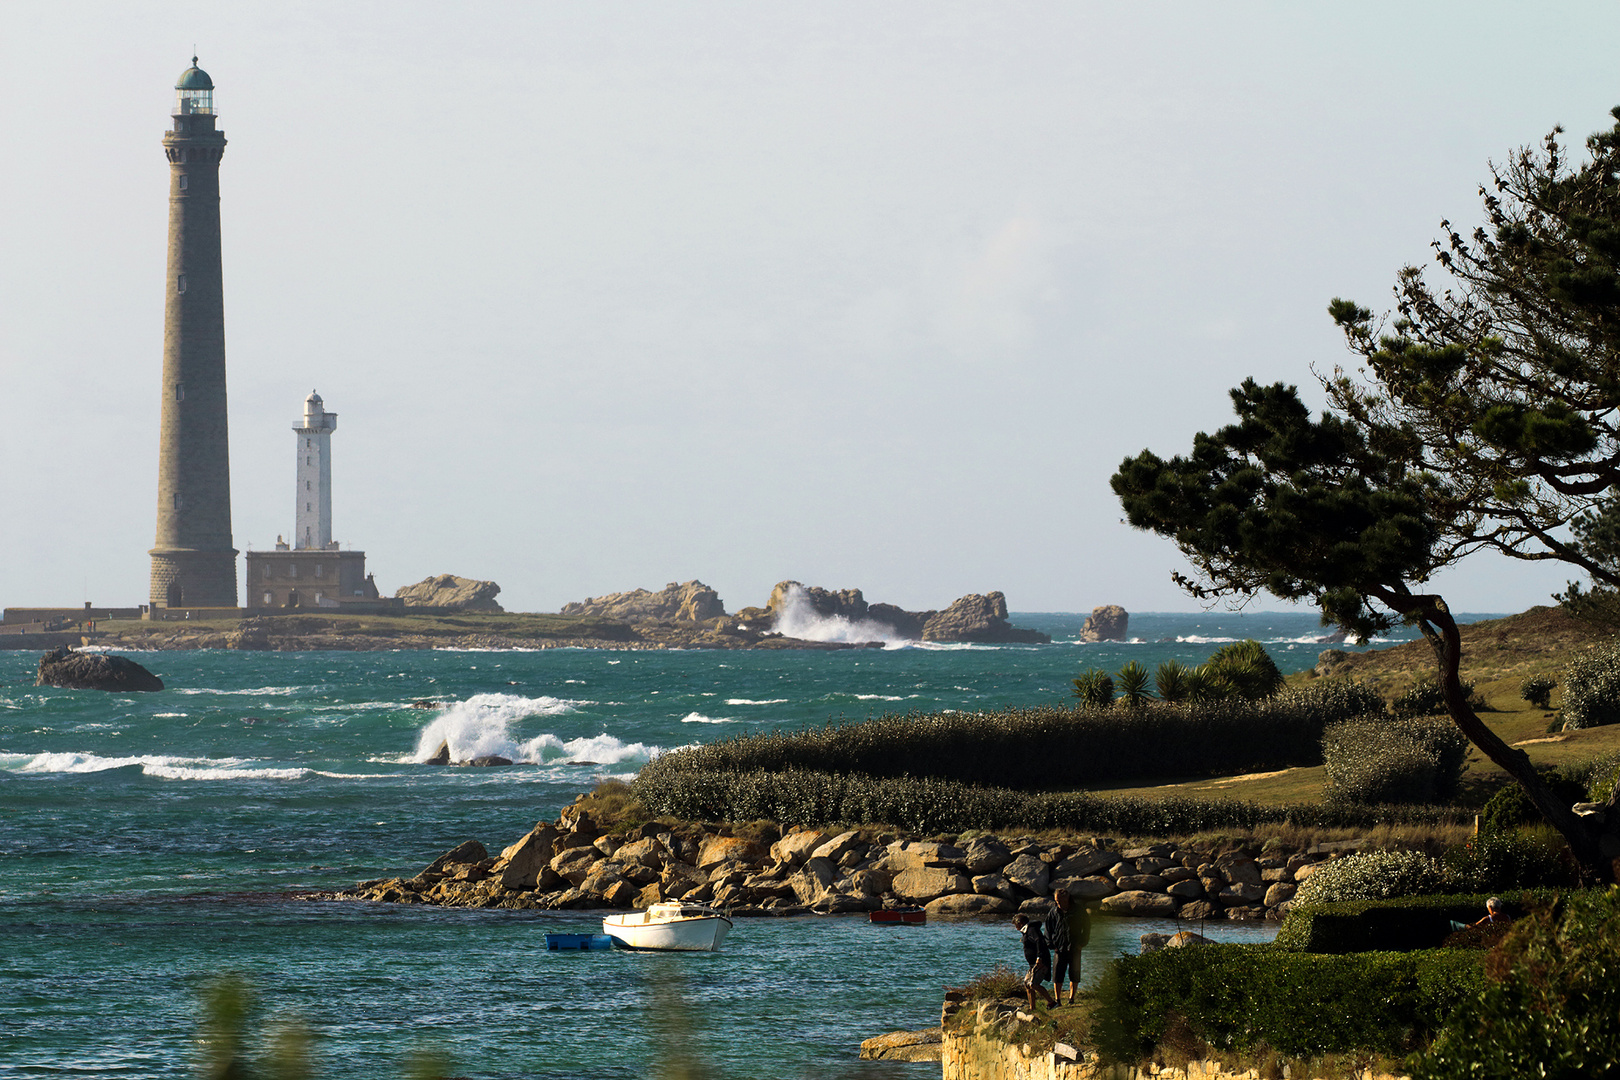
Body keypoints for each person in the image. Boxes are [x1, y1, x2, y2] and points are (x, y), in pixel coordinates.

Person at [1045, 887, 1091, 1004]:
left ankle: (1071, 999)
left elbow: (1087, 928)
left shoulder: (1079, 910)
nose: (1058, 903)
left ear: (1067, 898)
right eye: (1056, 900)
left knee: (1074, 974)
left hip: (1075, 947)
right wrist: (1051, 944)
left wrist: (1082, 943)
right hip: (1059, 948)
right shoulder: (1054, 912)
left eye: (1060, 900)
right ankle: (1057, 999)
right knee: (1057, 974)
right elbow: (1048, 929)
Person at [1012, 913, 1056, 1009]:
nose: (1016, 928)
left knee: (1033, 984)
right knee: (1027, 983)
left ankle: (1052, 1002)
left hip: (1040, 962)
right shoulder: (1027, 931)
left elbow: (1039, 941)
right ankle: (1032, 1007)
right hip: (1032, 964)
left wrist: (1039, 957)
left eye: (1016, 925)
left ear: (1021, 923)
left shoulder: (1032, 929)